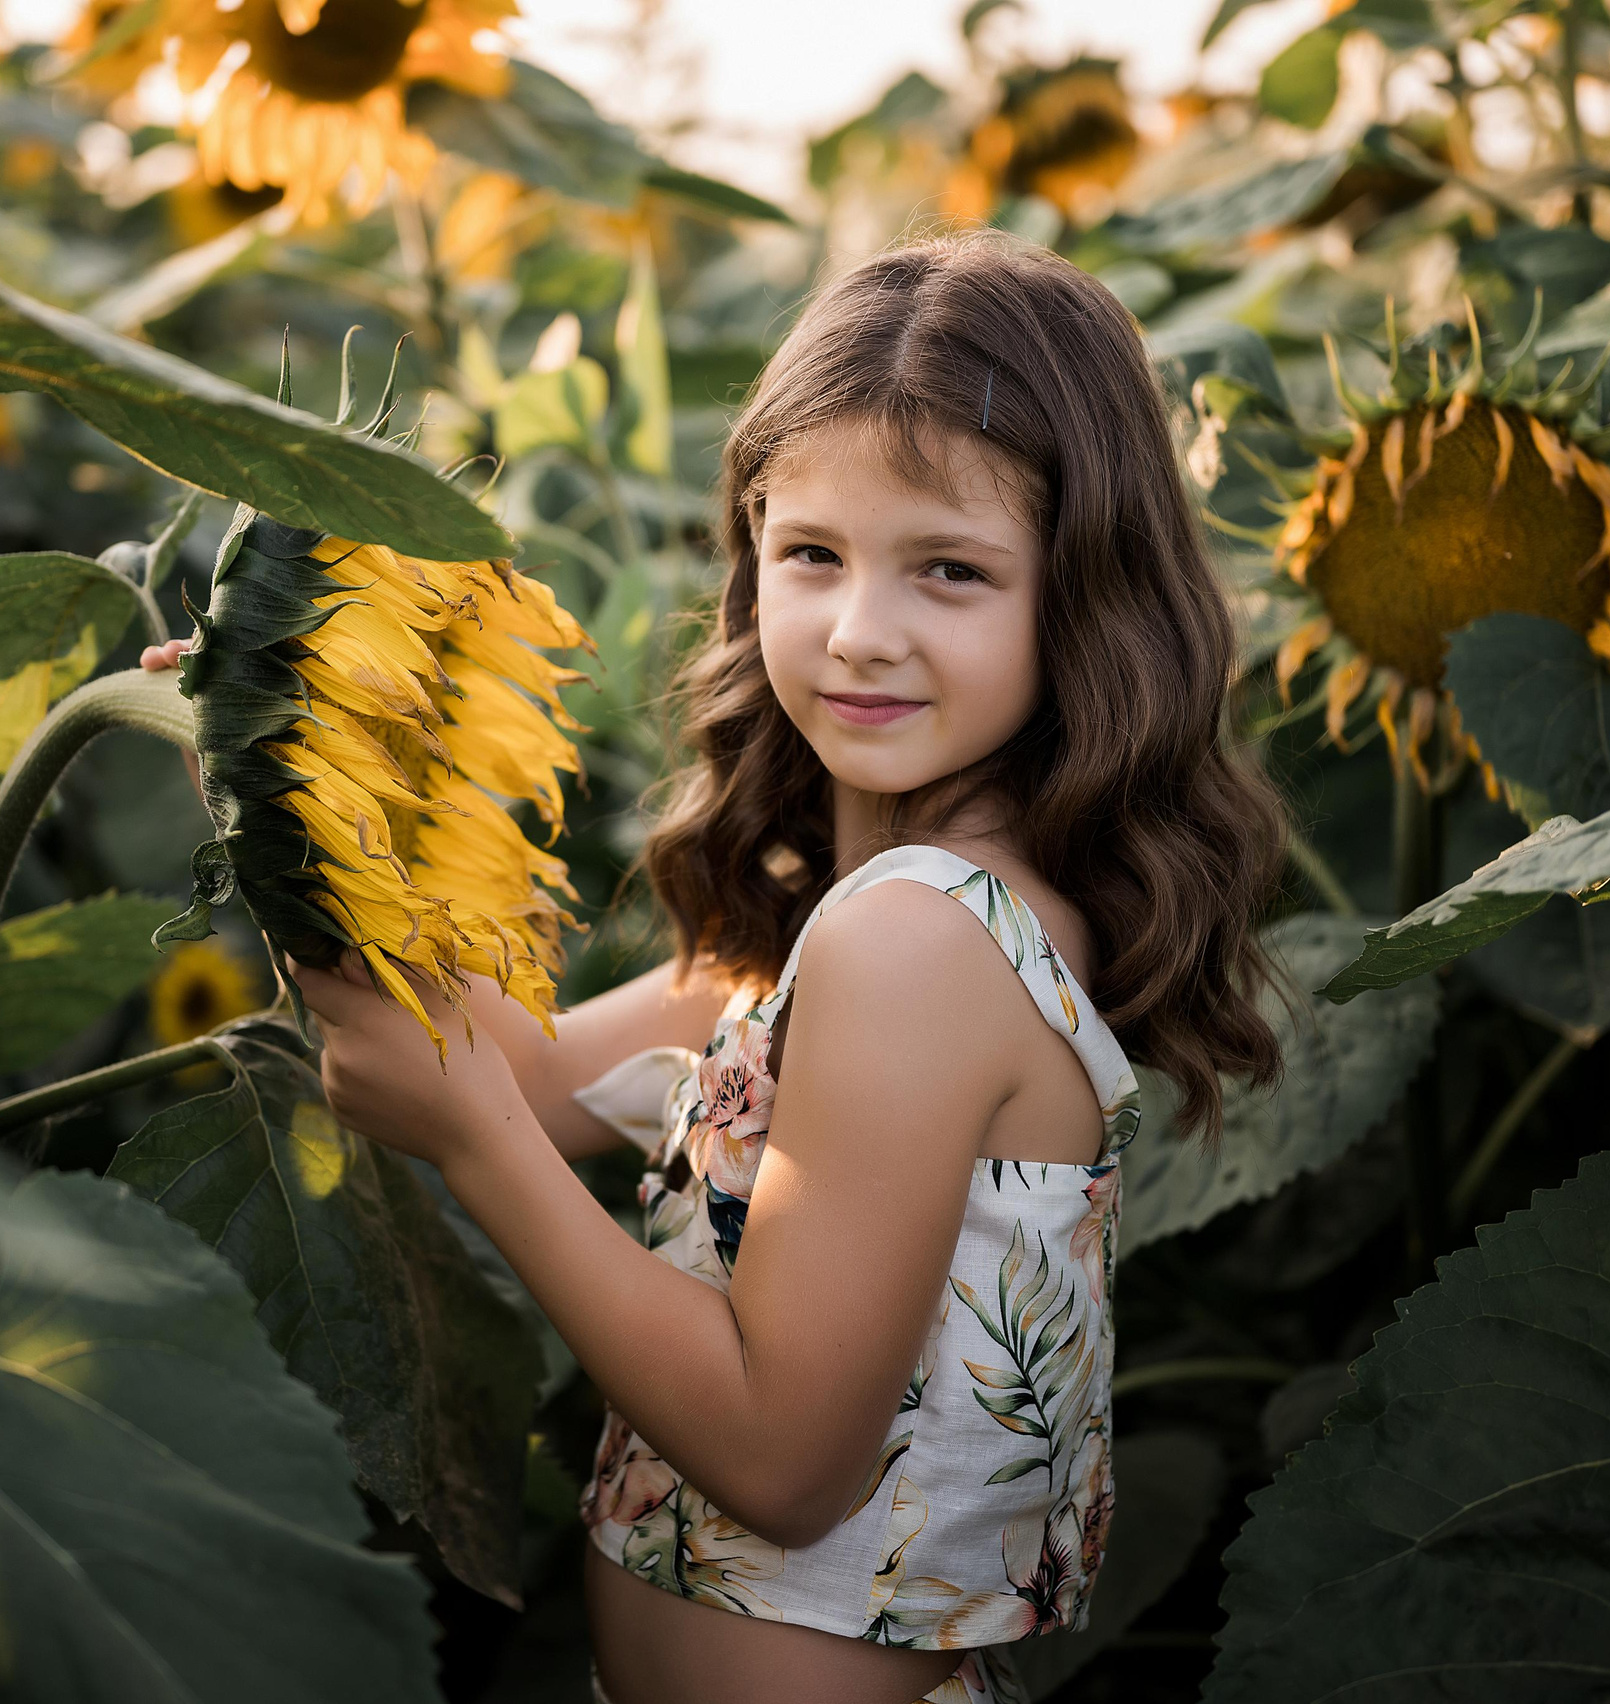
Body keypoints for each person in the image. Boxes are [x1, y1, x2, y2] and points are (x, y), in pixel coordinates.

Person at [153, 229, 1286, 1703]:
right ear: (750, 547)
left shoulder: (917, 941)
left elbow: (782, 1458)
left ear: (1080, 593)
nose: (861, 633)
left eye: (949, 569)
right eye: (811, 553)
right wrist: (300, 770)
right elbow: (547, 1070)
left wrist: (477, 1148)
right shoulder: (902, 906)